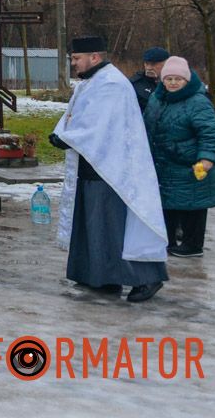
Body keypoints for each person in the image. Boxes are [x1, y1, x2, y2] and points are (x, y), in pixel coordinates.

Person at [51, 36, 168, 302]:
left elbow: (97, 125)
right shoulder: (92, 82)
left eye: (76, 59)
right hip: (95, 163)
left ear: (94, 57)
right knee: (96, 223)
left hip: (113, 167)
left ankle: (148, 278)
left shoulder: (111, 83)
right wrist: (60, 132)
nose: (73, 64)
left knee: (117, 225)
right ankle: (102, 276)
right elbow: (75, 116)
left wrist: (66, 137)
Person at [143, 55, 215, 257]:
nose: (173, 83)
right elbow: (147, 124)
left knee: (192, 204)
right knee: (167, 203)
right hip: (163, 162)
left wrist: (207, 157)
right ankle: (167, 240)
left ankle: (192, 245)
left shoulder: (197, 101)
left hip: (191, 164)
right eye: (169, 79)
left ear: (186, 80)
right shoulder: (157, 99)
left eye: (178, 79)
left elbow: (210, 132)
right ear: (162, 80)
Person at [130, 46, 169, 113]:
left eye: (153, 64)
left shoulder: (176, 82)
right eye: (146, 63)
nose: (149, 68)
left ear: (166, 64)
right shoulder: (135, 84)